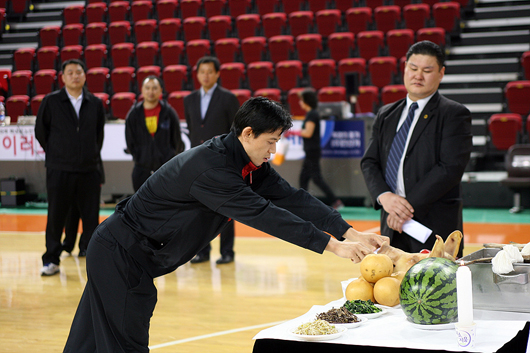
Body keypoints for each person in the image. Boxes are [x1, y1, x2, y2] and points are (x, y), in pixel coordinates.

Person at [63, 96, 387, 353]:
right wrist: (334, 246)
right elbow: (264, 214)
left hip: (124, 252)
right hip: (120, 253)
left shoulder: (245, 160)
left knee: (88, 342)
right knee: (125, 342)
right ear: (248, 134)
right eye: (271, 142)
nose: (274, 151)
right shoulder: (213, 169)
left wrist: (349, 231)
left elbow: (291, 197)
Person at [361, 41, 472, 257]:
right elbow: (369, 162)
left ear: (441, 73)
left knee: (438, 288)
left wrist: (405, 208)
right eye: (413, 69)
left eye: (427, 70)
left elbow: (449, 168)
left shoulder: (454, 114)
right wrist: (385, 197)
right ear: (404, 69)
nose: (418, 76)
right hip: (391, 227)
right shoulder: (386, 114)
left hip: (434, 228)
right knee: (391, 288)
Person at [35, 59, 105, 275]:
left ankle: (94, 259)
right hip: (59, 169)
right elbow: (41, 132)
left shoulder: (95, 103)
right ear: (63, 77)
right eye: (70, 72)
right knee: (56, 215)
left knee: (91, 217)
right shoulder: (51, 101)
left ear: (84, 76)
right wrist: (58, 153)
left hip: (89, 169)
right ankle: (51, 259)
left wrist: (88, 154)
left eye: (79, 72)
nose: (75, 76)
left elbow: (98, 135)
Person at [184, 56, 240, 264]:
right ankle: (203, 251)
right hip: (197, 162)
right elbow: (192, 129)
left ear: (217, 74)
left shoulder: (228, 98)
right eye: (202, 72)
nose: (205, 75)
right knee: (200, 209)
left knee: (226, 208)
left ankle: (227, 252)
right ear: (197, 74)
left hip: (223, 161)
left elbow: (235, 131)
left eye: (210, 71)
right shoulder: (189, 100)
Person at [125, 76, 184, 192]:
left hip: (166, 170)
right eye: (147, 88)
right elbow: (130, 141)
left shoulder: (169, 112)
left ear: (161, 90)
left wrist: (169, 157)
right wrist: (140, 157)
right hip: (141, 169)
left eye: (154, 88)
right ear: (142, 90)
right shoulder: (134, 114)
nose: (150, 92)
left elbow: (177, 139)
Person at [298, 89, 344, 210]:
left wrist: (294, 132)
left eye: (301, 100)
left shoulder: (312, 114)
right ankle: (302, 202)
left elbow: (308, 133)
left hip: (312, 151)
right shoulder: (311, 114)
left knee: (315, 178)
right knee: (304, 178)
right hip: (310, 151)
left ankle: (335, 201)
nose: (299, 102)